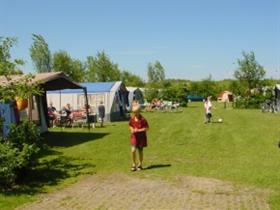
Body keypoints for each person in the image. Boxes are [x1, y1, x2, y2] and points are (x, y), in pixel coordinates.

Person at [129, 101, 149, 171]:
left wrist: (139, 130)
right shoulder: (132, 119)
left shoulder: (143, 119)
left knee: (140, 151)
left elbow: (147, 128)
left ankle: (140, 164)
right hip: (134, 137)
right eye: (134, 112)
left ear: (139, 111)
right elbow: (130, 125)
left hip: (141, 138)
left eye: (136, 112)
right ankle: (134, 164)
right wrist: (132, 129)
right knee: (133, 150)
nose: (135, 114)